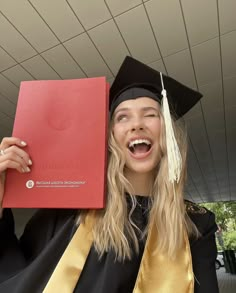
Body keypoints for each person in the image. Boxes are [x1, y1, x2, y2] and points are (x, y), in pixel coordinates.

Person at [0, 56, 219, 292]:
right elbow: (16, 272)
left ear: (167, 132)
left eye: (150, 114)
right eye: (122, 117)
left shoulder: (195, 223)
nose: (137, 125)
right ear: (110, 136)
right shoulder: (70, 211)